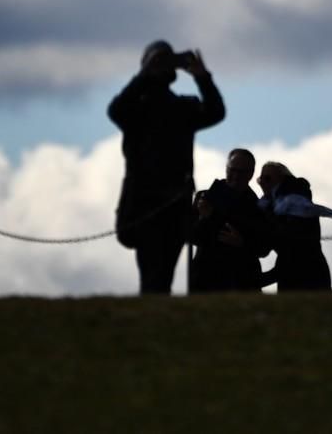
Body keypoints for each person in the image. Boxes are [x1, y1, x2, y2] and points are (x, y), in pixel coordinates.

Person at [108, 40, 226, 294]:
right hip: (146, 203)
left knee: (161, 274)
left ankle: (157, 316)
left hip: (174, 202)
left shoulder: (182, 107)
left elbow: (216, 112)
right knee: (153, 274)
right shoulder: (136, 110)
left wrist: (202, 77)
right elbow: (115, 110)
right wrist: (144, 75)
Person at [189, 148, 272, 293]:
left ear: (251, 173)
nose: (235, 176)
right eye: (232, 170)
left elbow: (264, 247)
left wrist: (242, 243)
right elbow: (192, 235)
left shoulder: (258, 208)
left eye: (242, 172)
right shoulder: (204, 198)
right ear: (226, 168)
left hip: (242, 281)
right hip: (205, 279)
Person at [256, 160, 332, 292]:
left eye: (267, 178)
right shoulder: (271, 206)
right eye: (260, 179)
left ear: (282, 179)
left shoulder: (296, 204)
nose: (263, 183)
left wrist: (257, 280)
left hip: (309, 276)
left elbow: (292, 249)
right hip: (295, 275)